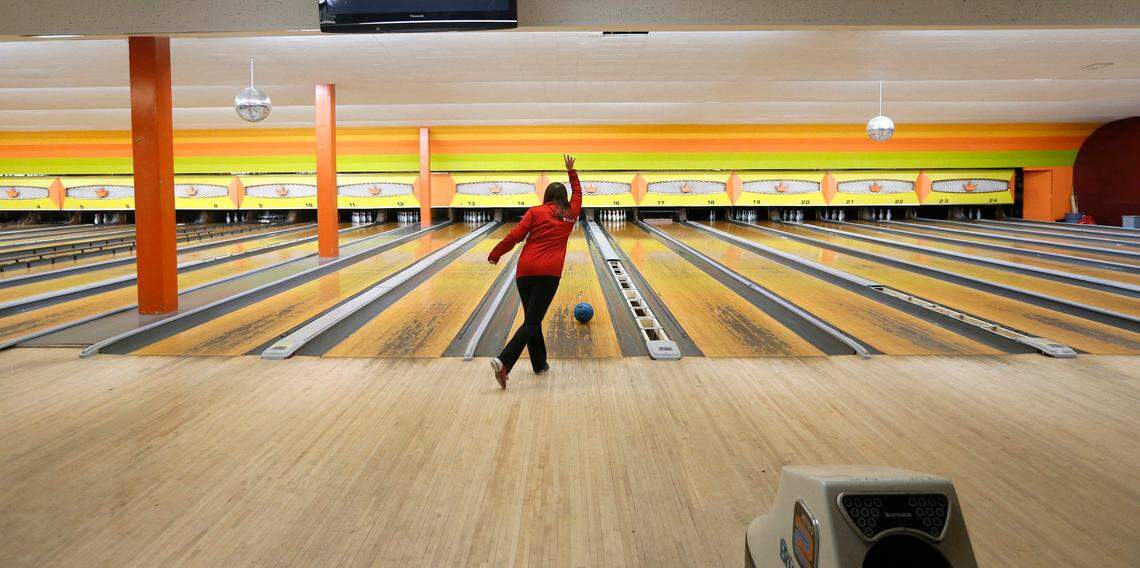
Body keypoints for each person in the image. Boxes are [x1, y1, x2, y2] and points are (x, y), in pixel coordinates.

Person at [487, 154, 583, 389]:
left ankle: (539, 364)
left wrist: (496, 253)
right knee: (532, 321)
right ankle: (504, 361)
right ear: (565, 198)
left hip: (525, 272)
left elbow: (515, 236)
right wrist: (571, 171)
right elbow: (579, 193)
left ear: (546, 197)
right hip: (549, 275)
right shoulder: (571, 213)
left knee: (533, 319)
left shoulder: (535, 211)